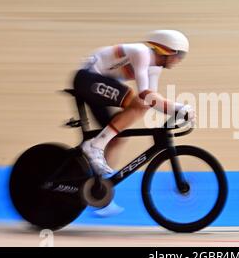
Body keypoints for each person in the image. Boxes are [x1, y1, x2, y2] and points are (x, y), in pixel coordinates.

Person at [73, 30, 195, 178]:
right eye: (180, 55)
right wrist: (178, 108)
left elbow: (152, 101)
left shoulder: (155, 68)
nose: (180, 60)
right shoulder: (142, 52)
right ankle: (94, 146)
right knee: (140, 103)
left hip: (97, 84)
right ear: (168, 50)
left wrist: (177, 111)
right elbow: (145, 95)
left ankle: (98, 185)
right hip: (87, 80)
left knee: (118, 137)